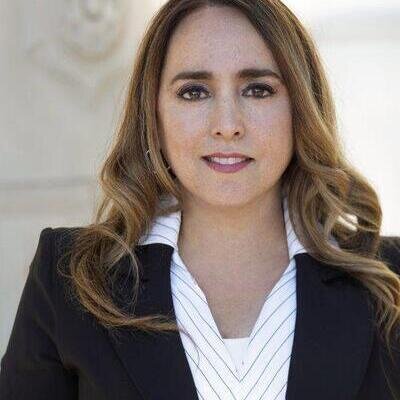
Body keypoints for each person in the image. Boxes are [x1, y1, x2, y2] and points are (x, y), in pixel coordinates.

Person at [1, 0, 400, 399]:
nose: (227, 125)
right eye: (194, 92)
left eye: (258, 89)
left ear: (301, 107)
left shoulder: (388, 281)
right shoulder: (72, 276)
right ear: (153, 115)